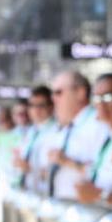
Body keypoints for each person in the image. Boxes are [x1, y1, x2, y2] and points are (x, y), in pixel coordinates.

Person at [37, 70, 106, 201]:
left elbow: (106, 173)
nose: (53, 99)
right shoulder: (67, 127)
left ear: (80, 93)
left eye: (59, 92)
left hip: (88, 211)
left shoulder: (99, 124)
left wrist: (69, 163)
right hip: (64, 208)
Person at [75, 73, 112, 205]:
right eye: (96, 98)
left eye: (108, 98)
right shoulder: (108, 134)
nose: (101, 104)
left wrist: (101, 195)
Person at [13, 85, 54, 193]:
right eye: (32, 105)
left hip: (45, 194)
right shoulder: (30, 132)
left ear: (50, 107)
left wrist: (30, 169)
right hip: (28, 192)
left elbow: (55, 172)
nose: (36, 110)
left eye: (41, 105)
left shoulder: (56, 132)